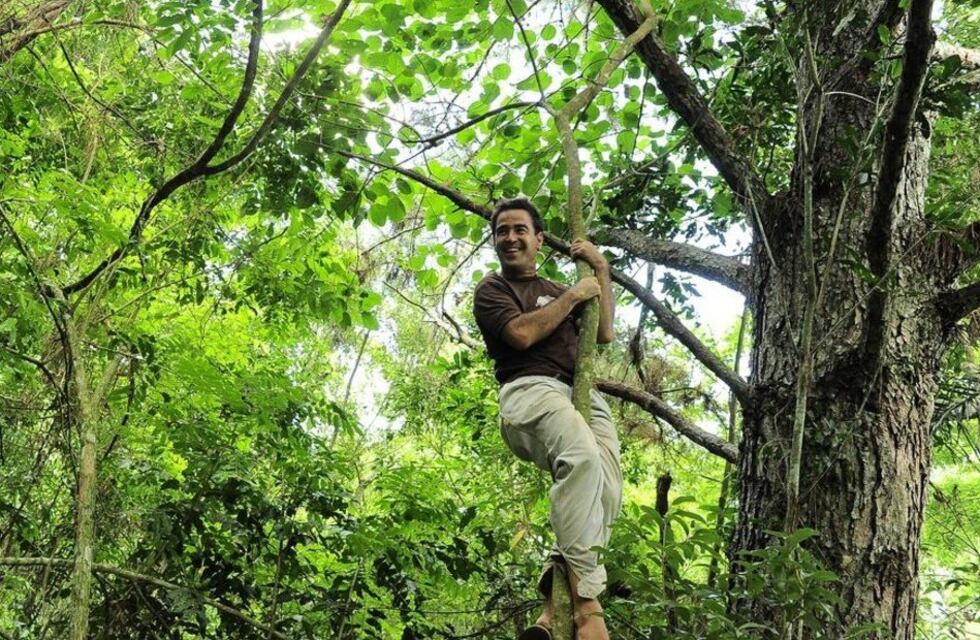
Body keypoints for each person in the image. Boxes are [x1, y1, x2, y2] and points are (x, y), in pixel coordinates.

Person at [472, 197, 621, 640]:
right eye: (502, 231)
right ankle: (587, 604)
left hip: (580, 391)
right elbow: (520, 335)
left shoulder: (561, 287)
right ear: (496, 241)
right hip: (530, 390)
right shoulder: (492, 289)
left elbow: (604, 334)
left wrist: (601, 272)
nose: (510, 237)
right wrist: (576, 294)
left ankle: (552, 600)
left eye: (520, 229)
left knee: (608, 490)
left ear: (539, 239)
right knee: (582, 459)